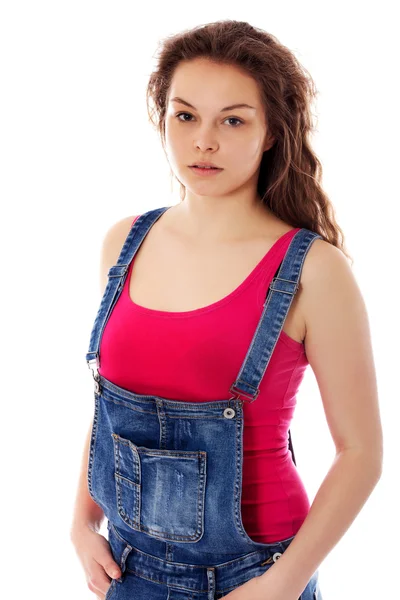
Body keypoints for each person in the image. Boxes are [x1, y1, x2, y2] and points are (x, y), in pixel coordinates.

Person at [70, 20, 383, 600]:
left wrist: (282, 584)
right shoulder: (124, 242)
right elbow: (109, 405)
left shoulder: (314, 270)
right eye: (185, 115)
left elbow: (362, 454)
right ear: (161, 118)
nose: (203, 141)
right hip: (126, 568)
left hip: (253, 575)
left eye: (232, 119)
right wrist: (81, 521)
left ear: (270, 133)